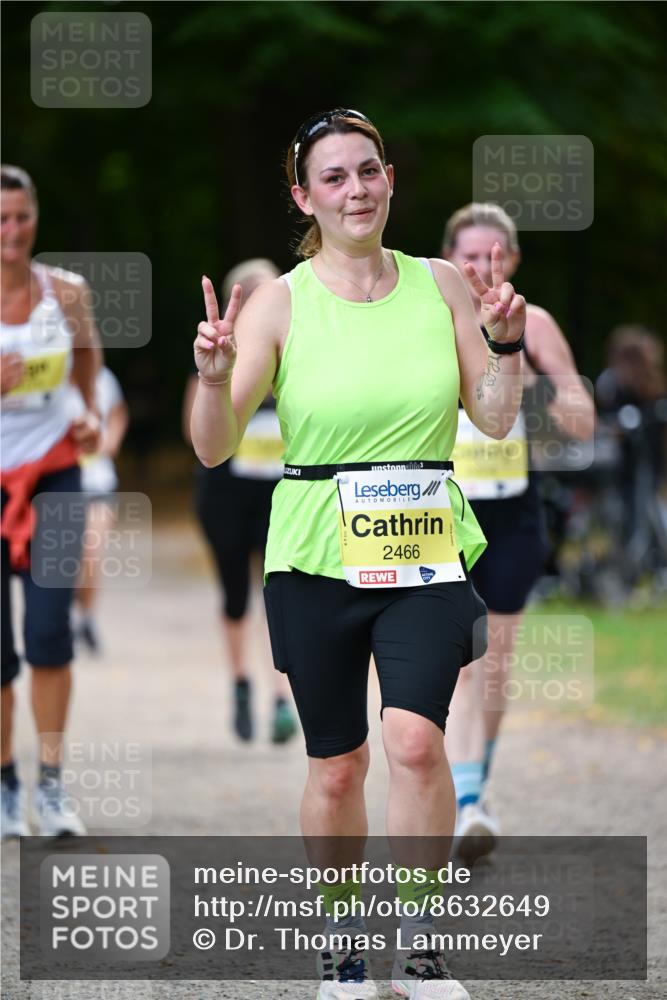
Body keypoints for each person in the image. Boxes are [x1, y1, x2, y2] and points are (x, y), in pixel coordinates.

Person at [190, 110, 526, 1000]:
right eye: (333, 177)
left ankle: (417, 946)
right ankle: (341, 937)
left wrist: (505, 344)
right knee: (337, 764)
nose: (356, 190)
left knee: (416, 744)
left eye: (367, 171)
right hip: (314, 551)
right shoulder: (281, 301)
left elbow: (491, 417)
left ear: (388, 180)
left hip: (422, 545)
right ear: (304, 195)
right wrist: (216, 377)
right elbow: (214, 446)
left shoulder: (442, 285)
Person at [442, 203, 595, 859]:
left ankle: (473, 788)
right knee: (454, 667)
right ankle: (464, 800)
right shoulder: (431, 316)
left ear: (513, 260)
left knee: (493, 664)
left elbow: (581, 422)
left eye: (493, 254)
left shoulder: (535, 324)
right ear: (449, 257)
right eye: (469, 255)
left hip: (511, 513)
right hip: (440, 512)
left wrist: (524, 366)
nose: (481, 267)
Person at [1, 164, 102, 838]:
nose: (11, 232)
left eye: (22, 217)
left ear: (36, 216)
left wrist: (88, 413)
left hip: (56, 478)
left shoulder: (65, 294)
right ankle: (6, 785)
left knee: (48, 634)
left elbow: (88, 357)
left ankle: (53, 785)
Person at [182, 259, 297, 744]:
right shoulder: (215, 358)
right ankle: (241, 684)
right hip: (226, 496)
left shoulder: (294, 349)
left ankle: (281, 698)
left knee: (280, 596)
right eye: (246, 296)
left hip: (280, 497)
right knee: (235, 593)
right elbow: (197, 437)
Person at [68, 364, 129, 654]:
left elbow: (118, 413)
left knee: (92, 553)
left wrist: (111, 442)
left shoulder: (104, 377)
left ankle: (86, 618)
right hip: (57, 486)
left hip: (98, 483)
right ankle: (64, 615)